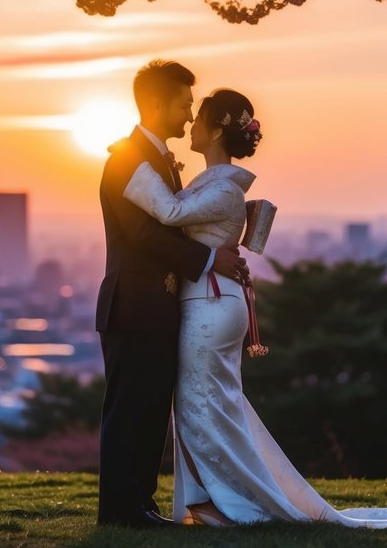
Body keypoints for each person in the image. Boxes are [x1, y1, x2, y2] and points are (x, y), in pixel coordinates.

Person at [123, 87, 387, 532]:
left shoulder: (223, 188)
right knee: (207, 403)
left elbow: (171, 212)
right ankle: (217, 498)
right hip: (209, 303)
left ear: (217, 127)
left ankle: (230, 502)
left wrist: (132, 170)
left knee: (204, 403)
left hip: (211, 306)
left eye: (198, 117)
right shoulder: (215, 182)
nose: (191, 126)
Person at [95, 60, 247, 528]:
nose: (188, 114)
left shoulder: (157, 158)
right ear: (158, 103)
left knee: (151, 409)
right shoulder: (126, 157)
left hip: (158, 306)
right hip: (134, 305)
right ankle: (121, 511)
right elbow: (144, 233)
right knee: (130, 409)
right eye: (183, 104)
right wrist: (207, 260)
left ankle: (140, 504)